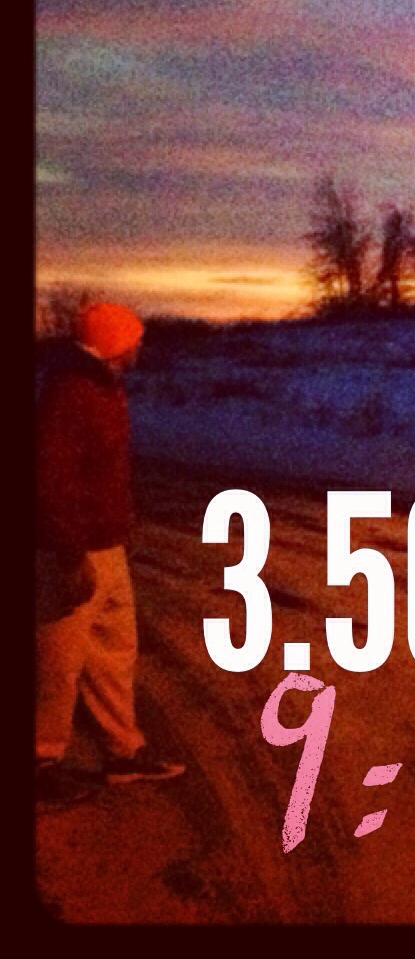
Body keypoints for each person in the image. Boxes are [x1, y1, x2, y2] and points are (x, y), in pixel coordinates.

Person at [36, 301, 184, 805]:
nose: (139, 346)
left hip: (106, 545)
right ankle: (39, 760)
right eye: (133, 338)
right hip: (70, 548)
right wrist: (68, 553)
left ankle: (123, 752)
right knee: (57, 657)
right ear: (112, 343)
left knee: (113, 651)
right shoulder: (69, 393)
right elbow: (48, 480)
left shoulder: (102, 386)